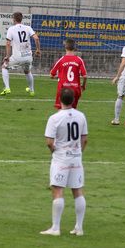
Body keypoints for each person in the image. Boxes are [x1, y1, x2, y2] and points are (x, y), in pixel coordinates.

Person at [41, 88, 87, 237]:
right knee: (77, 190)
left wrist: (54, 151)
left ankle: (55, 228)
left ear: (59, 99)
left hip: (61, 158)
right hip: (76, 157)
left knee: (57, 189)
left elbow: (49, 142)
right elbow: (84, 139)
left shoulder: (54, 118)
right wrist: (78, 152)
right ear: (73, 100)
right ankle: (79, 227)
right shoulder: (81, 116)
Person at [0, 12, 41, 96]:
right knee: (27, 71)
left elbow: (8, 43)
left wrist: (7, 56)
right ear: (21, 19)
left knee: (4, 67)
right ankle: (32, 90)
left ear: (14, 19)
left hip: (17, 57)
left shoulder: (11, 29)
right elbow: (36, 38)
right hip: (28, 57)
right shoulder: (28, 28)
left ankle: (7, 88)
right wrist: (38, 49)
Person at [50, 38, 87, 109]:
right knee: (73, 110)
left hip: (63, 89)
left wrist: (59, 76)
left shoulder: (61, 60)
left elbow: (51, 75)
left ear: (65, 47)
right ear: (74, 48)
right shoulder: (79, 60)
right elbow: (85, 76)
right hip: (75, 89)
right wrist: (83, 86)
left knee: (61, 110)